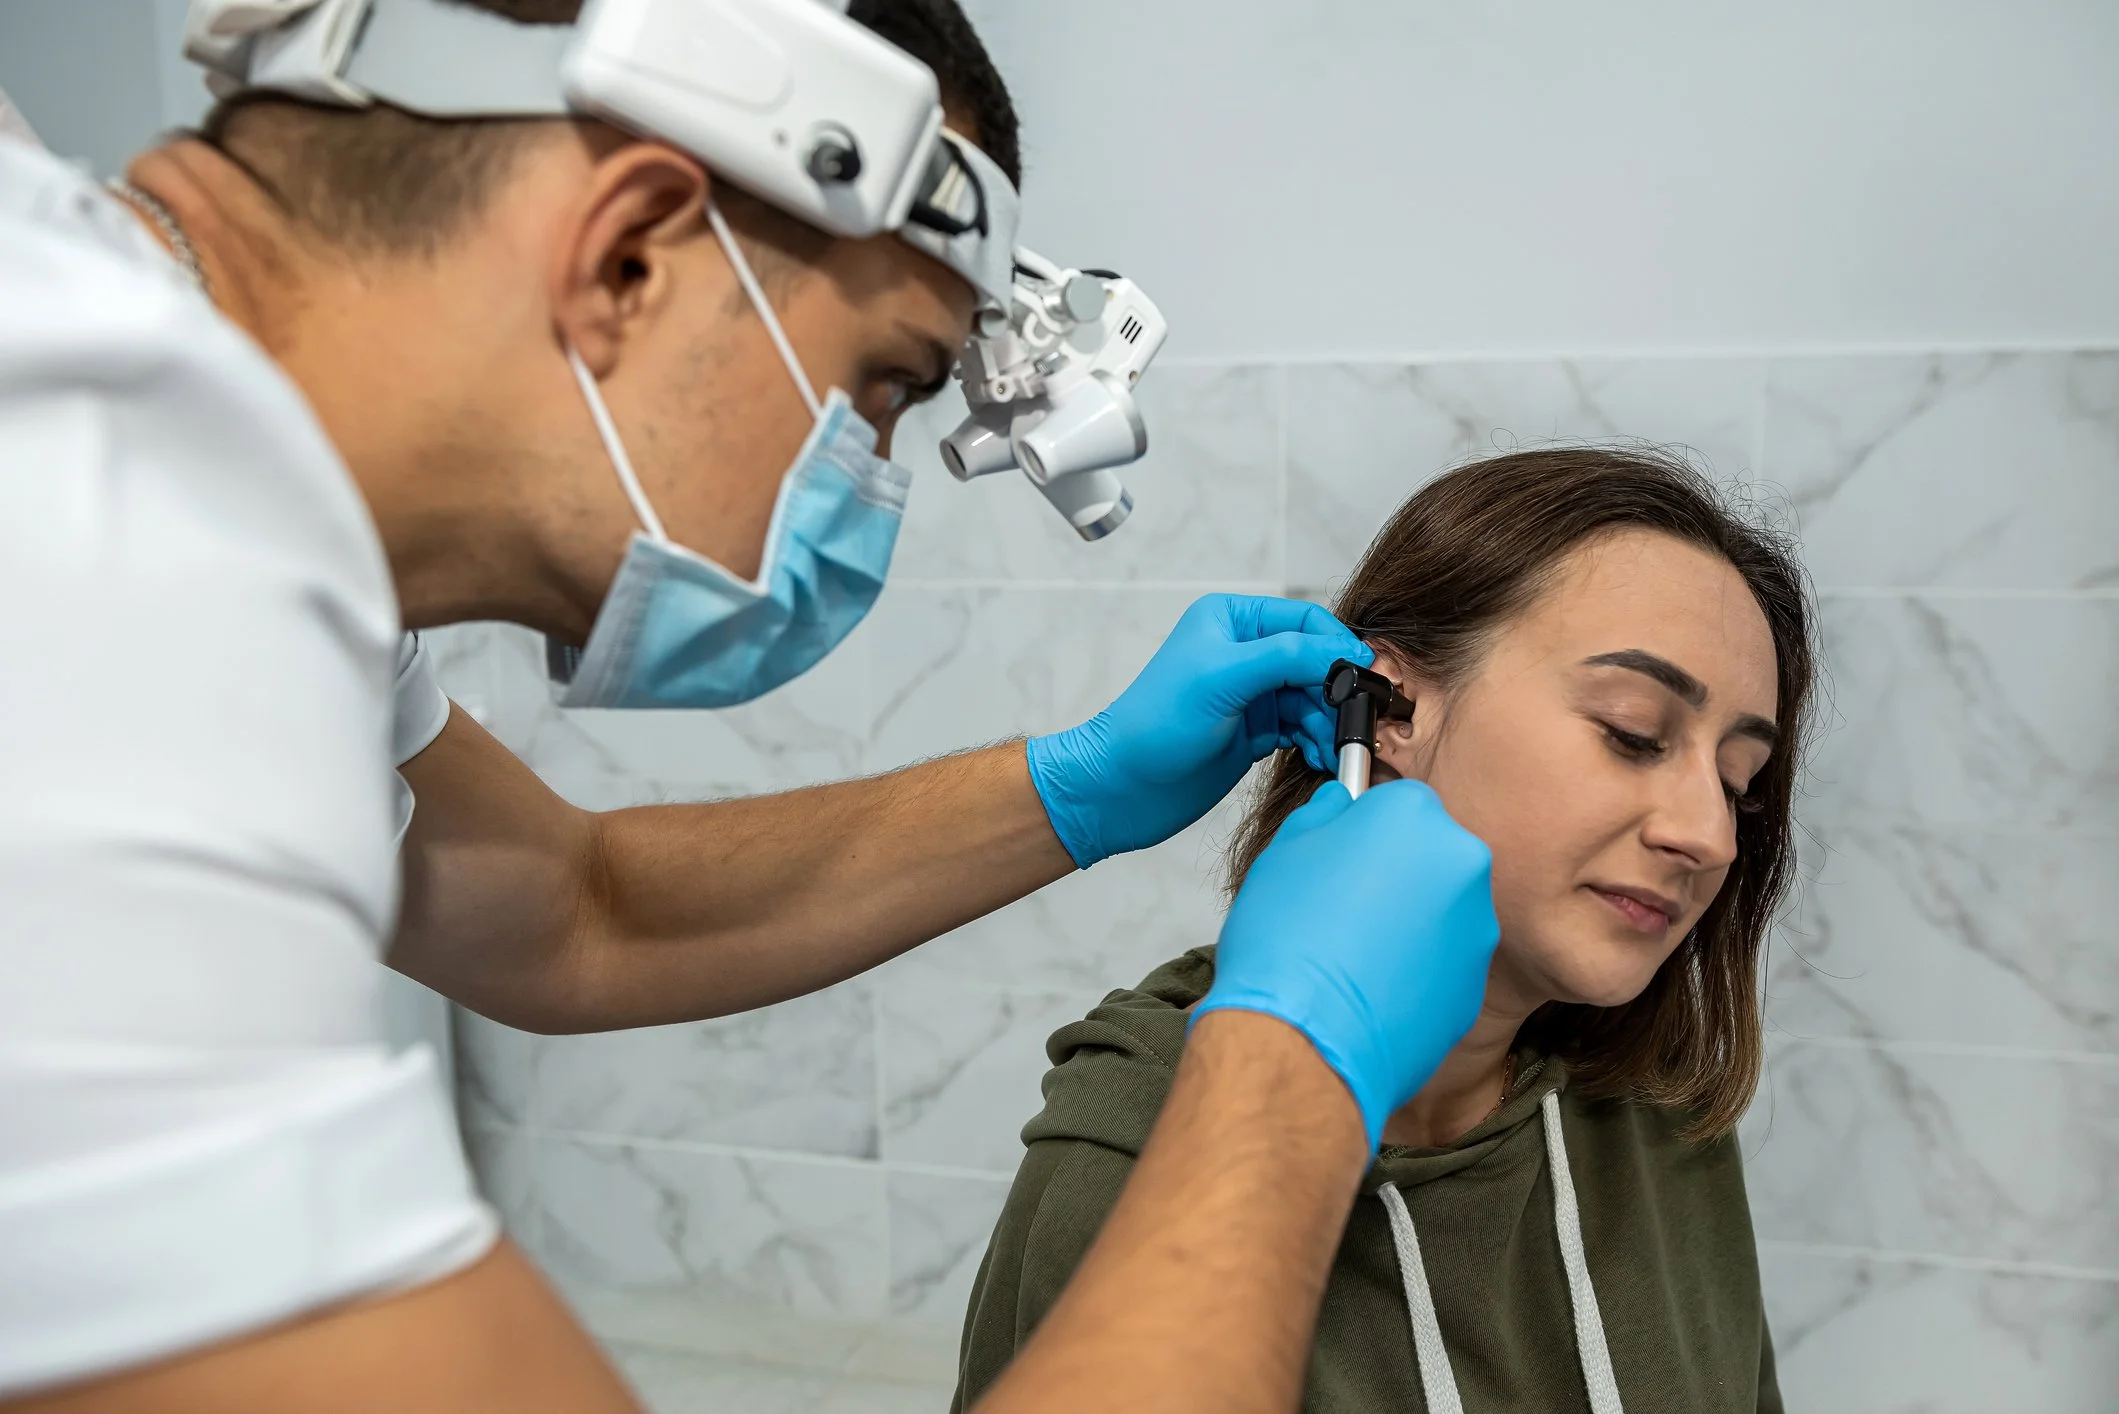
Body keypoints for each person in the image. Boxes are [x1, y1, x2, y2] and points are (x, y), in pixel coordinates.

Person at [0, 2, 1501, 1410]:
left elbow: (576, 909)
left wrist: (1078, 785)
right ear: (630, 255)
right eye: (877, 392)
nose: (864, 484)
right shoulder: (87, 530)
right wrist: (1298, 1057)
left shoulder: (205, 500)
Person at [952, 447, 1818, 1414]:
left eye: (1737, 784)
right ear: (1391, 712)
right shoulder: (1132, 1144)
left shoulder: (1653, 1118)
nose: (1705, 835)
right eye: (1630, 731)